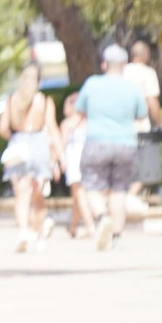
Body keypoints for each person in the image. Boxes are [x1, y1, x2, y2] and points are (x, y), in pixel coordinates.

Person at [78, 44, 160, 250]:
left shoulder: (92, 84)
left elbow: (80, 109)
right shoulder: (131, 88)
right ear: (124, 65)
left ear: (104, 64)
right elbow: (141, 114)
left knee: (91, 185)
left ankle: (101, 216)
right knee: (119, 189)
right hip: (126, 142)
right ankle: (116, 235)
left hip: (97, 141)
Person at [0, 63, 63, 253]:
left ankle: (23, 231)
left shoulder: (11, 100)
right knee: (38, 194)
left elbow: (2, 128)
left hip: (18, 143)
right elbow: (52, 128)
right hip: (38, 144)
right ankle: (41, 237)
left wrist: (14, 138)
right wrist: (60, 156)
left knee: (21, 195)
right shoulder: (43, 100)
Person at [124, 40, 162, 207]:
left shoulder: (121, 72)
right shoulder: (147, 73)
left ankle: (125, 197)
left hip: (120, 126)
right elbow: (152, 101)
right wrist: (160, 123)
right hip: (140, 127)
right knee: (148, 166)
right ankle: (129, 196)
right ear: (145, 55)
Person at [60, 93, 94, 239]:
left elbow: (61, 143)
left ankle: (90, 226)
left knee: (79, 193)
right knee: (77, 195)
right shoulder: (90, 122)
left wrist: (58, 160)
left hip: (74, 158)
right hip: (90, 156)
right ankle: (73, 226)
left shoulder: (67, 124)